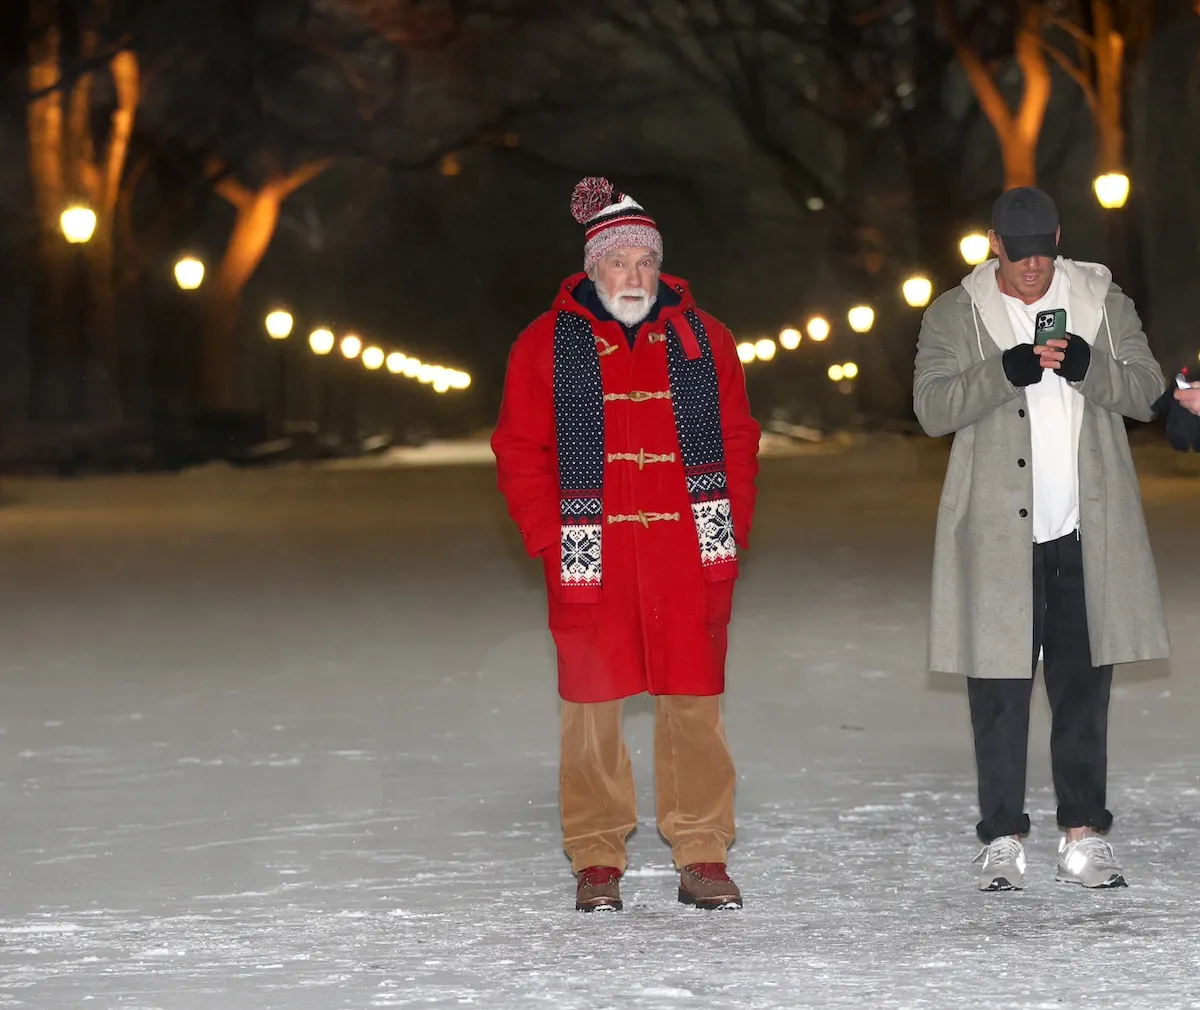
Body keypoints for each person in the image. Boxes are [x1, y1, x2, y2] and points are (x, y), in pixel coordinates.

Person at [492, 178, 760, 912]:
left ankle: (703, 848)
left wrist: (728, 524)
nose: (633, 276)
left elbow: (738, 439)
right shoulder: (544, 344)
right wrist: (550, 536)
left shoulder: (706, 339)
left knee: (693, 702)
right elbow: (519, 449)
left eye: (646, 261)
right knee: (590, 708)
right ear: (592, 268)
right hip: (590, 556)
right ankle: (597, 854)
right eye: (619, 262)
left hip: (688, 553)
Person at [913, 186, 1170, 892]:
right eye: (1019, 254)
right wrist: (1007, 371)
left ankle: (1084, 834)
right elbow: (931, 409)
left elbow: (1148, 392)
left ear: (1058, 237)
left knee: (1083, 690)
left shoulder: (1101, 300)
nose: (1033, 268)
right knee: (997, 691)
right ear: (994, 243)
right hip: (996, 535)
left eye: (1043, 252)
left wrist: (1087, 366)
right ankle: (1001, 837)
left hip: (1088, 530)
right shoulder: (955, 312)